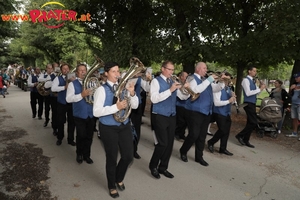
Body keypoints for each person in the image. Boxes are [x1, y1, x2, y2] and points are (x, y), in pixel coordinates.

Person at [93, 62, 138, 198]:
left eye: (118, 71)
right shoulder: (101, 90)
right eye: (113, 71)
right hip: (108, 127)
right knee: (112, 158)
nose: (117, 74)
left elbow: (134, 106)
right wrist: (116, 108)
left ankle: (118, 177)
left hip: (123, 125)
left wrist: (132, 92)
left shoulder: (123, 87)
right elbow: (96, 112)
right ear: (106, 73)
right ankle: (111, 185)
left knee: (128, 156)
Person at [149, 60, 189, 179]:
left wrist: (186, 90)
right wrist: (170, 90)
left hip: (171, 115)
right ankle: (153, 166)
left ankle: (163, 167)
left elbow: (181, 96)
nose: (171, 72)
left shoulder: (173, 81)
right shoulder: (155, 81)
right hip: (160, 115)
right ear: (162, 69)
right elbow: (154, 99)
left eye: (173, 70)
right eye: (169, 69)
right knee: (162, 143)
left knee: (170, 144)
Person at [179, 62, 222, 167]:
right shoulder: (192, 78)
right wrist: (209, 80)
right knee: (194, 134)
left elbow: (216, 89)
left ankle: (199, 157)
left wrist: (222, 82)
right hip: (194, 111)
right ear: (198, 69)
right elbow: (196, 90)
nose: (206, 70)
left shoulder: (205, 80)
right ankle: (183, 151)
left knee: (202, 136)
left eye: (206, 68)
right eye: (204, 68)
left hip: (206, 111)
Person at [66, 64, 95, 164]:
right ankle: (79, 154)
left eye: (84, 70)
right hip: (79, 115)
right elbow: (68, 99)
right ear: (77, 72)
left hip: (91, 114)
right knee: (81, 135)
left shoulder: (92, 83)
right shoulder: (72, 84)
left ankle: (87, 155)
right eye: (80, 70)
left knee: (89, 136)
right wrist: (81, 95)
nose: (83, 72)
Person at [235, 66, 266, 148]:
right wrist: (259, 89)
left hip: (252, 103)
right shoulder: (245, 80)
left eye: (256, 71)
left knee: (250, 122)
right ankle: (240, 135)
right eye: (254, 71)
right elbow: (248, 93)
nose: (255, 72)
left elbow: (256, 94)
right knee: (253, 122)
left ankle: (246, 140)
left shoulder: (253, 81)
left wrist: (261, 88)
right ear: (249, 71)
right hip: (248, 103)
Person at [207, 72, 236, 156]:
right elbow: (216, 103)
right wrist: (229, 101)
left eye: (228, 79)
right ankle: (211, 142)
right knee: (222, 130)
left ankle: (223, 148)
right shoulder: (217, 88)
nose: (228, 81)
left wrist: (233, 98)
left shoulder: (229, 88)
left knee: (226, 131)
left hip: (227, 112)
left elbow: (231, 101)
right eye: (226, 79)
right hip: (219, 112)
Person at [51, 63, 76, 146]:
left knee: (72, 122)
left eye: (67, 68)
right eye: (64, 69)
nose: (66, 70)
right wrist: (64, 87)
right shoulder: (57, 79)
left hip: (71, 103)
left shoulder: (73, 78)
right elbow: (53, 88)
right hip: (61, 103)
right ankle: (60, 138)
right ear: (61, 70)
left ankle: (70, 139)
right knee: (60, 121)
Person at [131, 72, 151, 159]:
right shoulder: (125, 76)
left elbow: (147, 88)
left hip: (137, 105)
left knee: (136, 129)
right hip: (126, 105)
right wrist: (132, 77)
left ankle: (134, 150)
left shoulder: (140, 79)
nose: (138, 72)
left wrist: (149, 80)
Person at [174, 71, 189, 141]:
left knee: (185, 121)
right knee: (180, 121)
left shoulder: (186, 84)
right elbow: (181, 96)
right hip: (179, 104)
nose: (187, 78)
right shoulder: (177, 84)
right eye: (186, 77)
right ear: (181, 77)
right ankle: (176, 133)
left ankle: (182, 134)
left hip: (186, 106)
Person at [285, 73, 300, 139]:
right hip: (293, 103)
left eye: (297, 77)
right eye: (295, 77)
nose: (296, 78)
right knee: (294, 118)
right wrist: (291, 89)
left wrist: (297, 87)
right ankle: (294, 132)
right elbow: (290, 94)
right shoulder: (295, 84)